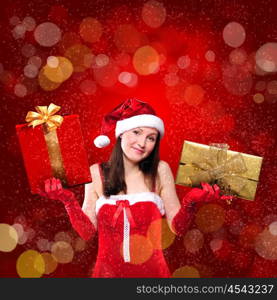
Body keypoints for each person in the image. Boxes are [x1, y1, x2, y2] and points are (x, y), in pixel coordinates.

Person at [39, 98, 221, 278]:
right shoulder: (96, 173)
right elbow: (87, 233)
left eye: (151, 138)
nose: (142, 143)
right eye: (136, 132)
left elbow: (178, 228)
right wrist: (68, 200)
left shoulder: (160, 170)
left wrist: (191, 201)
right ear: (121, 133)